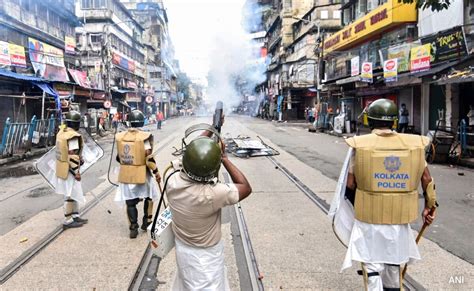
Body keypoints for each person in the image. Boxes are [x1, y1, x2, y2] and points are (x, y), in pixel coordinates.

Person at [342, 99, 437, 290]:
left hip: (368, 216)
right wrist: (430, 206)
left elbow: (350, 184)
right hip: (399, 216)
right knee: (394, 259)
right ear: (394, 121)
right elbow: (427, 179)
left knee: (371, 262)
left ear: (369, 120)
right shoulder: (414, 145)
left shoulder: (359, 146)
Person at [166, 121, 252, 290]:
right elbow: (246, 187)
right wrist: (224, 158)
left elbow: (191, 152)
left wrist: (212, 127)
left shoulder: (172, 177)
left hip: (183, 248)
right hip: (206, 258)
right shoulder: (212, 194)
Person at [115, 110, 161, 239]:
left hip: (126, 174)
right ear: (142, 121)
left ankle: (133, 228)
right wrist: (156, 171)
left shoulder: (120, 137)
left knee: (130, 202)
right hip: (142, 174)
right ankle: (147, 221)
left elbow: (119, 157)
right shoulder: (144, 137)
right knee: (150, 196)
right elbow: (149, 157)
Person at [55, 111, 88, 229]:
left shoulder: (61, 133)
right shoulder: (72, 136)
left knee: (72, 193)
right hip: (70, 169)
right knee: (69, 194)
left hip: (62, 167)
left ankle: (75, 215)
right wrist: (77, 172)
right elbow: (72, 155)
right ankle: (68, 220)